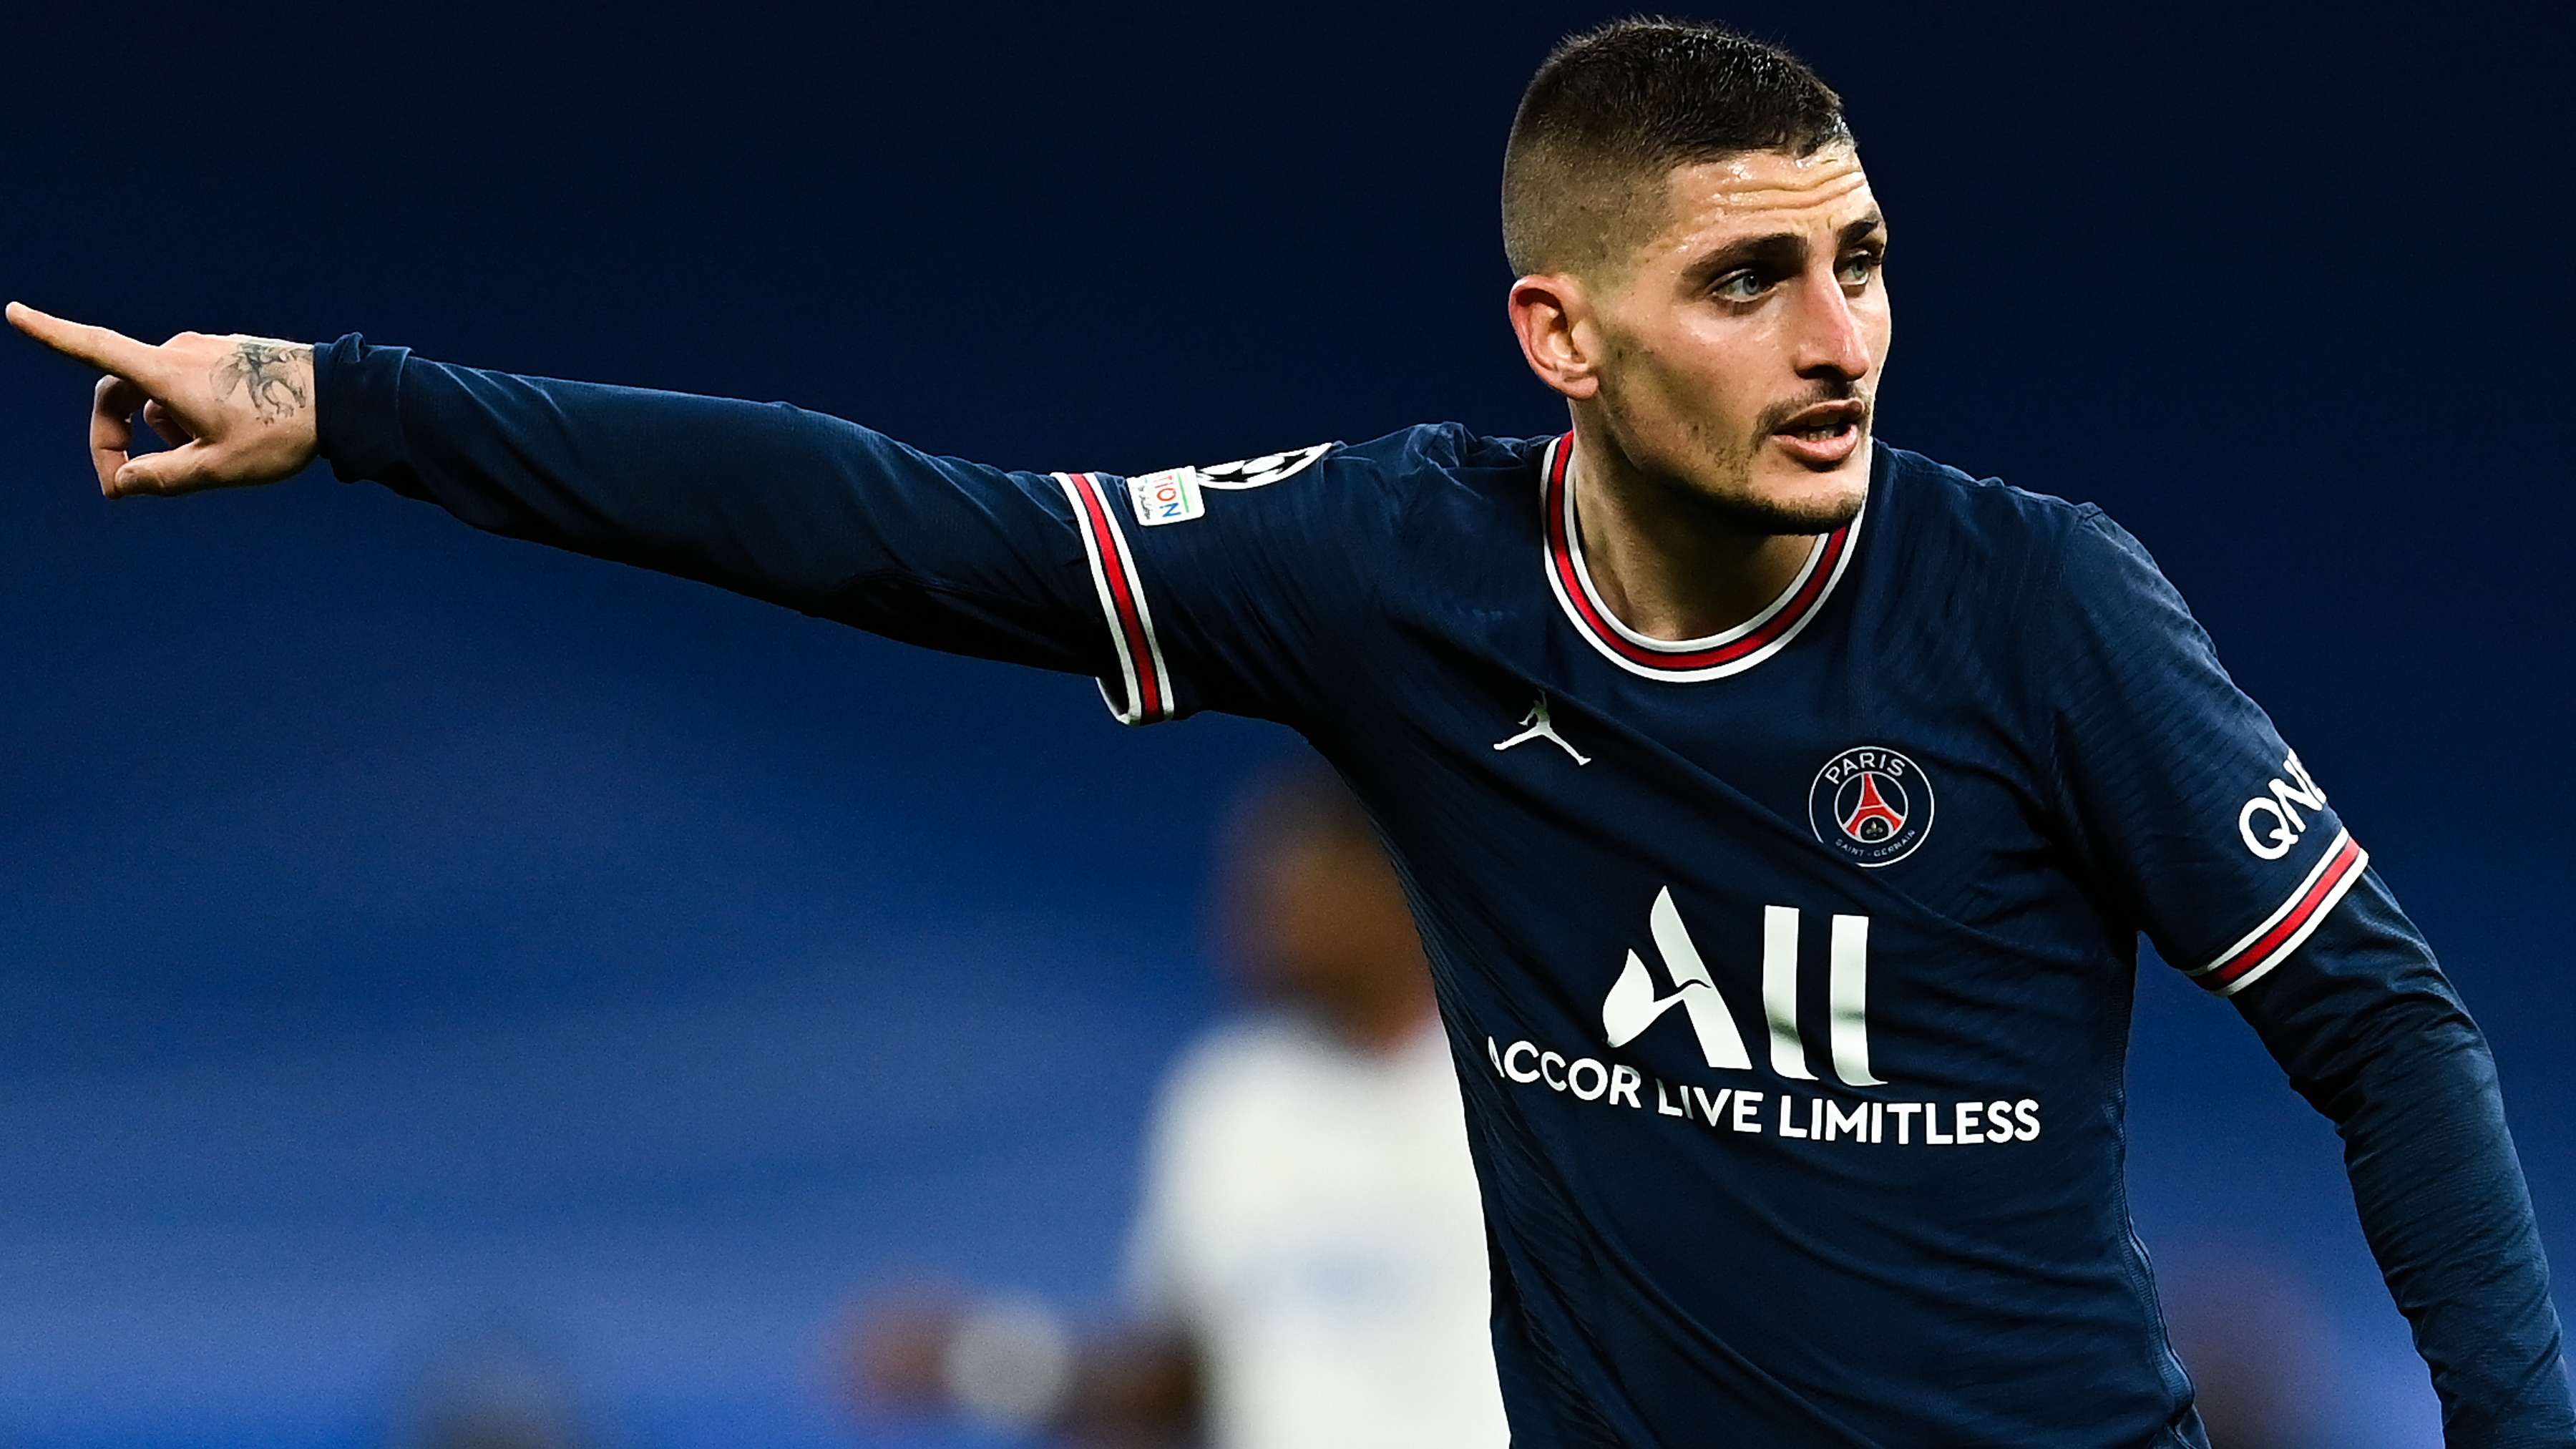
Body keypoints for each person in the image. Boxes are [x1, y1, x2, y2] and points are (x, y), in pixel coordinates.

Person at [10, 16, 2567, 1447]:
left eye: (1864, 261)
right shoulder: (1400, 565)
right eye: (1750, 280)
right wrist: (355, 401)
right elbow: (901, 525)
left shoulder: (2040, 605)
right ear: (1562, 334)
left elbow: (2386, 1026)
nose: (1841, 341)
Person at [846, 768, 1508, 1448]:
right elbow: (1185, 1373)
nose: (1254, 921)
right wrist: (980, 1364)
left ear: (1391, 886)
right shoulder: (1235, 1096)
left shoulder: (1514, 1080)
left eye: (1293, 886)